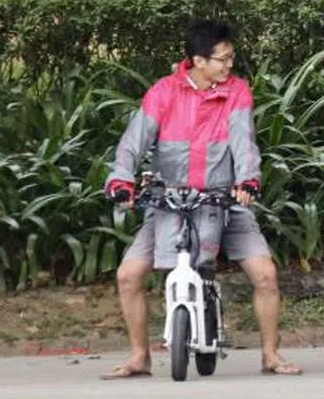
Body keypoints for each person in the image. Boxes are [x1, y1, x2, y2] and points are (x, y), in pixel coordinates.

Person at [101, 20, 301, 378]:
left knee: (266, 275)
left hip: (225, 198)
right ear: (197, 60)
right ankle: (139, 357)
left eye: (231, 58)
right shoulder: (164, 92)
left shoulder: (237, 91)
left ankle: (271, 355)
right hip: (171, 202)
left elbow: (244, 142)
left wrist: (248, 181)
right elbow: (134, 142)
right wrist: (120, 180)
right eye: (221, 59)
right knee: (128, 275)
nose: (228, 66)